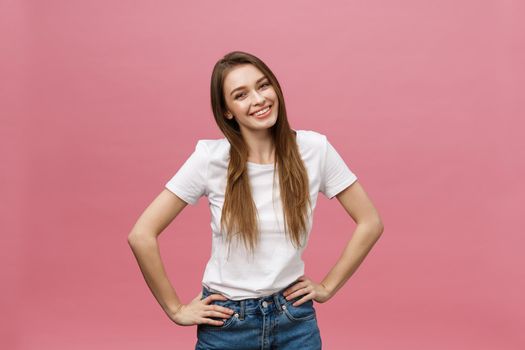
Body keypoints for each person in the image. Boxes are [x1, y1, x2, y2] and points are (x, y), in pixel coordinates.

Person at [127, 51, 384, 350]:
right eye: (241, 95)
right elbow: (141, 235)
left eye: (263, 86)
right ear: (227, 111)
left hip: (295, 321)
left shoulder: (314, 149)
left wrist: (327, 287)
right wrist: (176, 310)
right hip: (228, 324)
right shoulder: (211, 159)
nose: (259, 99)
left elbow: (370, 222)